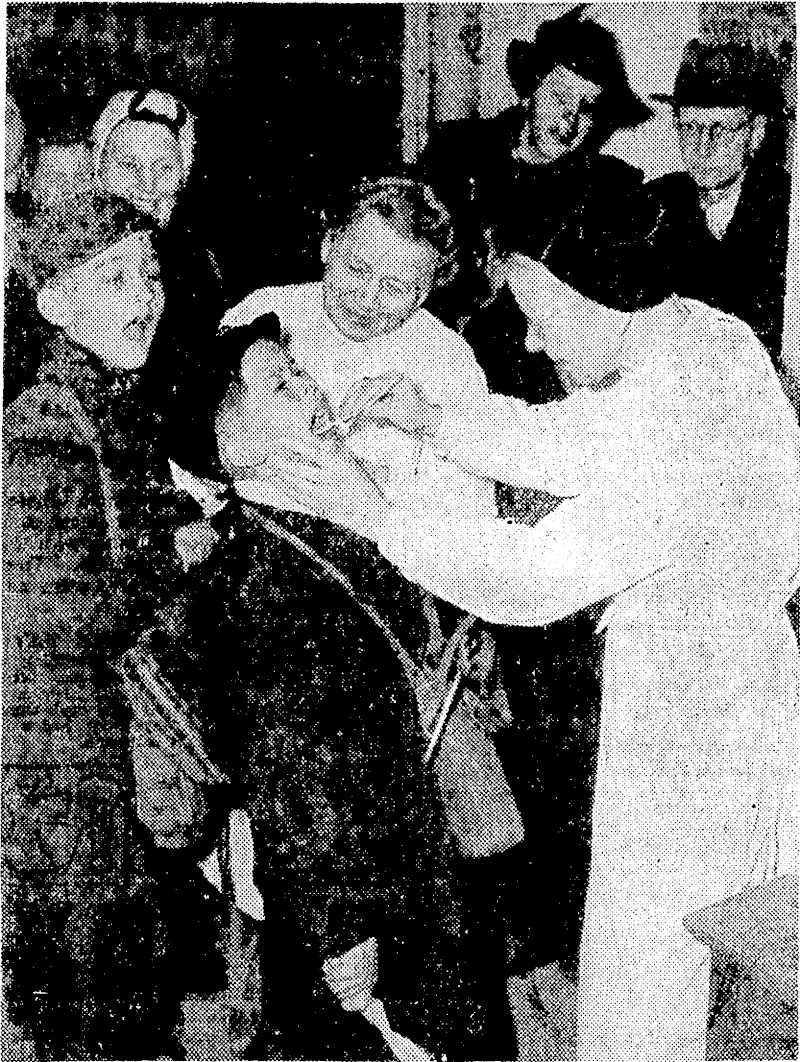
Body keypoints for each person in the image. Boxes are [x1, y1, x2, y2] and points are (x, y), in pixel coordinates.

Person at [262, 220, 800, 1061]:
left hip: (695, 712)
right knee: (700, 949)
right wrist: (438, 420)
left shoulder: (674, 415)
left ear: (589, 297)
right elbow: (577, 440)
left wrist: (374, 513)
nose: (533, 335)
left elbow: (530, 576)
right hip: (726, 681)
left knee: (646, 961)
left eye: (539, 311)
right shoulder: (696, 336)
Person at [132, 314, 517, 1060]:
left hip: (411, 868)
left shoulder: (325, 524)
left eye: (301, 372)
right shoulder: (256, 583)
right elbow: (293, 773)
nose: (311, 391)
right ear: (230, 444)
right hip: (365, 907)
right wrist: (342, 931)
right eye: (281, 384)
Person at [2, 188, 217, 1061]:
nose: (145, 296)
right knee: (90, 995)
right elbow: (56, 609)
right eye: (116, 276)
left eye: (151, 273)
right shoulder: (44, 428)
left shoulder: (106, 401)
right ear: (54, 299)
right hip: (60, 755)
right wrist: (176, 553)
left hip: (93, 740)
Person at [216, 177, 495, 519]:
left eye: (396, 288)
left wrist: (370, 506)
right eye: (357, 270)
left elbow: (468, 517)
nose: (367, 300)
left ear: (424, 293)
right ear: (328, 244)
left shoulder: (449, 362)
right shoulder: (264, 310)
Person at [418, 4, 653, 349]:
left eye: (586, 108)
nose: (568, 123)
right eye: (560, 98)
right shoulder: (453, 152)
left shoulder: (605, 192)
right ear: (531, 91)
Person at [92, 88, 229, 471]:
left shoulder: (198, 272)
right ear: (98, 170)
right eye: (128, 165)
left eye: (164, 168)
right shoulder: (66, 264)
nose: (146, 186)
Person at [647, 39, 791, 366]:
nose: (703, 146)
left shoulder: (786, 210)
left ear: (756, 133)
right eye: (690, 127)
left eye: (720, 129)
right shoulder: (656, 202)